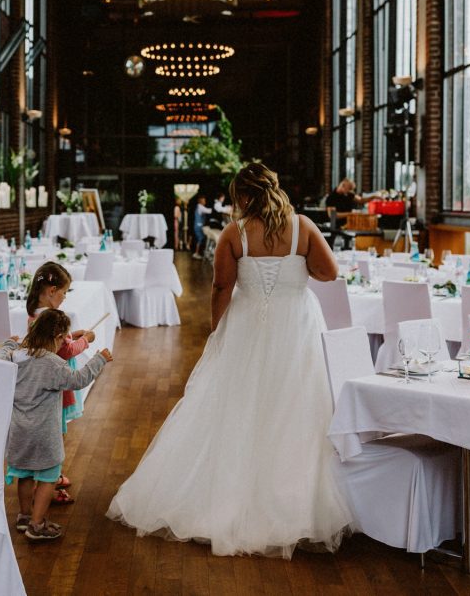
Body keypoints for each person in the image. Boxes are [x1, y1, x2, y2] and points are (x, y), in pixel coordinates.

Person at [107, 161, 352, 557]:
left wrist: (217, 331)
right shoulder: (303, 227)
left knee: (239, 406)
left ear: (242, 196)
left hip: (247, 325)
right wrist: (296, 268)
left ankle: (232, 494)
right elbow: (329, 272)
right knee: (297, 407)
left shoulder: (234, 233)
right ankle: (295, 502)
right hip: (297, 325)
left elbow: (222, 286)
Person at [0, 310, 113, 541]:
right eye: (62, 339)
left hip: (19, 431)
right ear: (57, 337)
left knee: (24, 473)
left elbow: (1, 357)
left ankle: (24, 516)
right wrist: (99, 359)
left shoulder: (15, 357)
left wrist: (9, 342)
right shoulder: (52, 364)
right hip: (44, 434)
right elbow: (78, 380)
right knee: (49, 477)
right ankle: (37, 524)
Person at [24, 261, 95, 504]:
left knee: (54, 430)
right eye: (64, 293)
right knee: (55, 433)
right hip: (56, 381)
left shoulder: (36, 314)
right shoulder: (52, 318)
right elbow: (65, 352)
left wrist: (70, 335)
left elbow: (57, 342)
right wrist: (86, 340)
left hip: (43, 380)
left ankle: (52, 475)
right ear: (52, 291)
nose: (65, 298)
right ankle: (49, 481)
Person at [192, 195, 213, 259]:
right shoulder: (200, 207)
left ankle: (199, 252)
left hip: (198, 225)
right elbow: (209, 211)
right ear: (201, 201)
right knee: (200, 239)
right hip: (198, 225)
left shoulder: (199, 206)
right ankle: (196, 253)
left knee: (201, 239)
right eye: (204, 200)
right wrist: (215, 208)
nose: (205, 202)